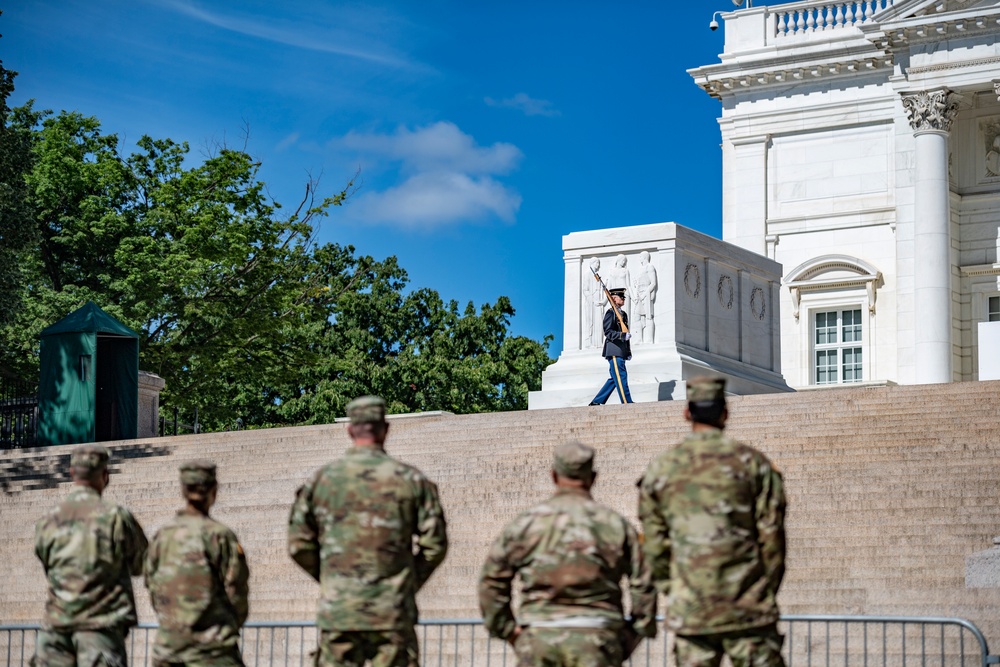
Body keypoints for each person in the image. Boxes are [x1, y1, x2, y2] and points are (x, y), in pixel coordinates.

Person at [288, 395, 449, 667]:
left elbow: (298, 545)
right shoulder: (411, 480)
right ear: (385, 429)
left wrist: (335, 581)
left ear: (350, 430)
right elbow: (435, 545)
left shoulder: (322, 480)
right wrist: (403, 585)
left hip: (341, 612)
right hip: (392, 612)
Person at [638, 377, 787, 667]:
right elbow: (773, 539)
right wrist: (761, 590)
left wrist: (677, 590)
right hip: (748, 607)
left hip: (692, 608)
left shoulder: (662, 469)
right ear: (725, 412)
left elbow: (654, 546)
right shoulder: (753, 463)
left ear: (686, 412)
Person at [478, 441, 657, 667]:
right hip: (597, 640)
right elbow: (645, 583)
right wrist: (633, 635)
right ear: (593, 477)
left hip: (539, 638)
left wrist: (508, 631)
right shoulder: (615, 525)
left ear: (554, 475)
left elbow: (491, 581)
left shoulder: (526, 524)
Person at [33, 444, 149, 667]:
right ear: (105, 476)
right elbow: (140, 564)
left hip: (55, 630)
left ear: (72, 473)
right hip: (100, 631)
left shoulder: (49, 520)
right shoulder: (116, 516)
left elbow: (47, 564)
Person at [145, 460, 250, 667]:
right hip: (212, 649)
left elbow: (152, 586)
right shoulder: (220, 536)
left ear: (183, 490)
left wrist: (173, 624)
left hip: (169, 648)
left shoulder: (162, 536)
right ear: (214, 490)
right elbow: (236, 590)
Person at [589, 287, 634, 405]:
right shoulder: (611, 313)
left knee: (615, 378)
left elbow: (626, 333)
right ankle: (626, 401)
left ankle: (597, 401)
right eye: (621, 297)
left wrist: (628, 352)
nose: (623, 299)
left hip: (621, 351)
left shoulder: (623, 314)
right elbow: (608, 332)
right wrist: (621, 336)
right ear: (613, 298)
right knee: (621, 376)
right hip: (614, 350)